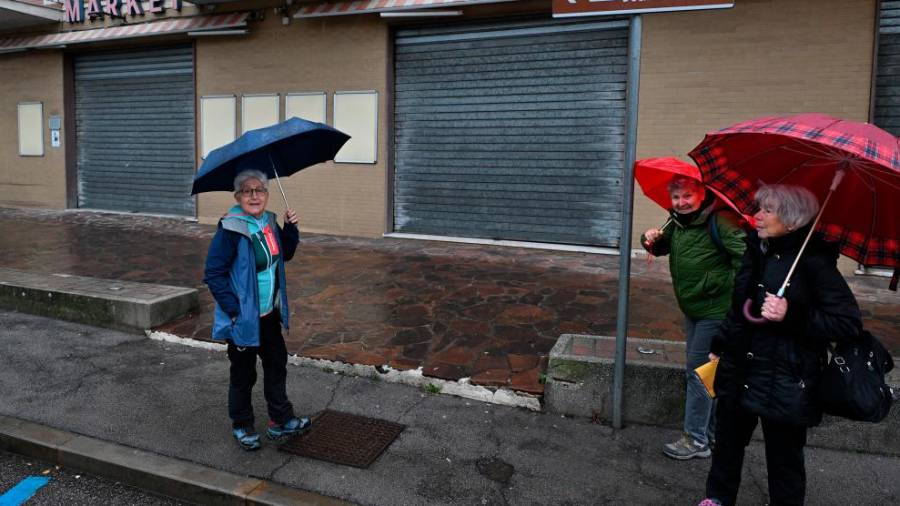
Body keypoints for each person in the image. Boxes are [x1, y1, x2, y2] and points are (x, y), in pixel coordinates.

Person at [700, 184, 862, 506]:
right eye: (759, 207)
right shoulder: (756, 250)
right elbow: (739, 307)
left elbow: (847, 324)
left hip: (785, 377)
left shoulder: (814, 263)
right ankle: (717, 499)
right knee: (727, 444)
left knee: (784, 459)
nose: (756, 216)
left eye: (767, 210)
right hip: (740, 366)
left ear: (791, 221)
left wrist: (793, 314)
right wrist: (719, 343)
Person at [203, 169, 310, 451]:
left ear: (266, 194)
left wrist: (291, 229)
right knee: (243, 374)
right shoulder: (231, 229)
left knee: (277, 364)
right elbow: (213, 273)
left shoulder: (269, 222)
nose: (254, 195)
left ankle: (280, 419)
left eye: (259, 190)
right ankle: (242, 424)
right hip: (243, 318)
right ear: (238, 196)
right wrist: (234, 310)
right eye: (247, 191)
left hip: (269, 314)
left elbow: (283, 255)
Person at [641, 175, 746, 460]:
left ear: (701, 195)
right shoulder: (677, 222)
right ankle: (709, 435)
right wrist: (649, 238)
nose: (681, 202)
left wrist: (730, 297)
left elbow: (745, 261)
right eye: (676, 198)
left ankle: (696, 440)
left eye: (687, 196)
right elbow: (661, 248)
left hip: (716, 311)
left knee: (698, 375)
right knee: (706, 373)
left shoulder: (720, 221)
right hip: (694, 308)